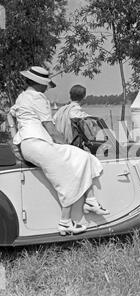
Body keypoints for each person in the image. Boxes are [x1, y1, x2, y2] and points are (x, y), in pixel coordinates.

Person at [9, 66, 110, 236]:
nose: (47, 88)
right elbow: (51, 129)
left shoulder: (22, 97)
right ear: (39, 83)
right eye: (46, 84)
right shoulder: (38, 97)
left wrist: (15, 140)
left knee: (84, 157)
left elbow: (9, 116)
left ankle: (91, 201)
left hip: (29, 144)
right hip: (38, 143)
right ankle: (65, 222)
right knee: (66, 176)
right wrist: (66, 145)